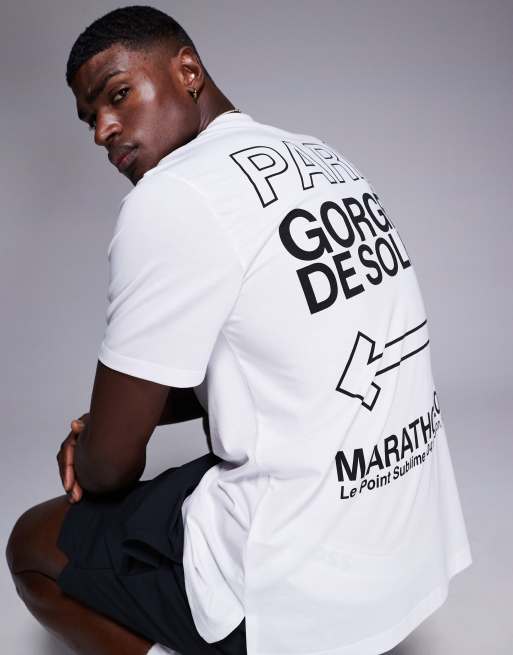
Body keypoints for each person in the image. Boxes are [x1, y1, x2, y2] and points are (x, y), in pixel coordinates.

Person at [5, 5, 473, 655]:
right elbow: (287, 359)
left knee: (34, 545)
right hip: (408, 556)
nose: (102, 130)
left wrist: (91, 443)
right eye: (90, 118)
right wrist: (112, 420)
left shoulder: (171, 196)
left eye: (117, 95)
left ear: (187, 71)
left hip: (308, 591)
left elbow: (109, 468)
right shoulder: (322, 157)